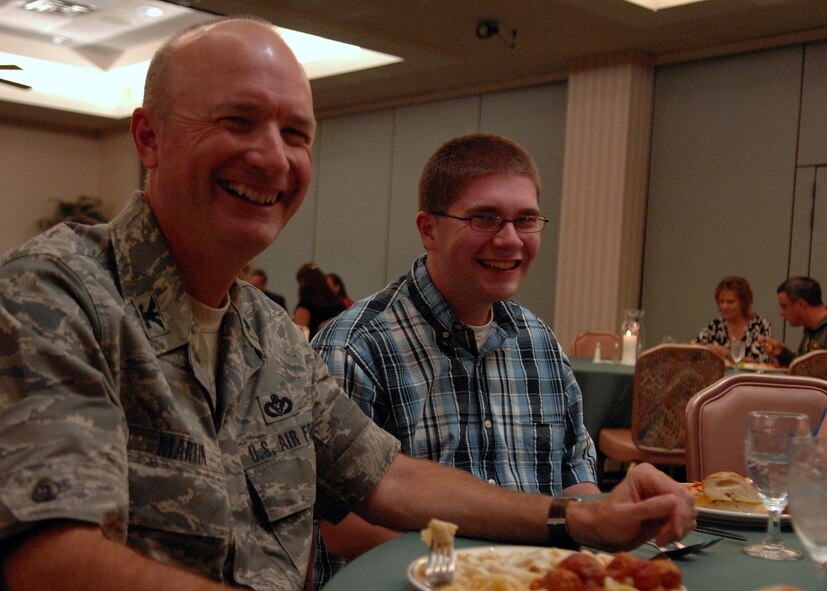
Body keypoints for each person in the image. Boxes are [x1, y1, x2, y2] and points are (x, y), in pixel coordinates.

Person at [0, 17, 695, 591]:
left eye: (295, 133)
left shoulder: (269, 332)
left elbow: (386, 474)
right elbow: (49, 560)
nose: (272, 159)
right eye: (238, 121)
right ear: (148, 136)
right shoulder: (57, 292)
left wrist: (577, 520)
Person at [309, 132, 602, 588]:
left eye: (525, 220)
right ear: (429, 229)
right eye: (485, 218)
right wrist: (494, 563)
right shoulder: (355, 346)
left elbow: (577, 482)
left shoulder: (540, 342)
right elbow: (343, 529)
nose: (510, 241)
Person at [695, 275, 771, 363]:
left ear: (743, 303)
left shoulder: (760, 325)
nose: (724, 306)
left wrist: (726, 353)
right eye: (721, 301)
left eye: (730, 302)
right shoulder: (716, 325)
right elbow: (696, 350)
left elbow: (761, 361)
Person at [763, 276, 827, 366]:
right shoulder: (811, 327)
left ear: (801, 304)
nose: (781, 313)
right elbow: (804, 368)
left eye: (784, 306)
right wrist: (782, 354)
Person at [293, 263, 347, 339]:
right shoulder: (338, 302)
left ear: (302, 283)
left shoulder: (306, 303)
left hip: (313, 347)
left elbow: (299, 332)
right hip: (337, 346)